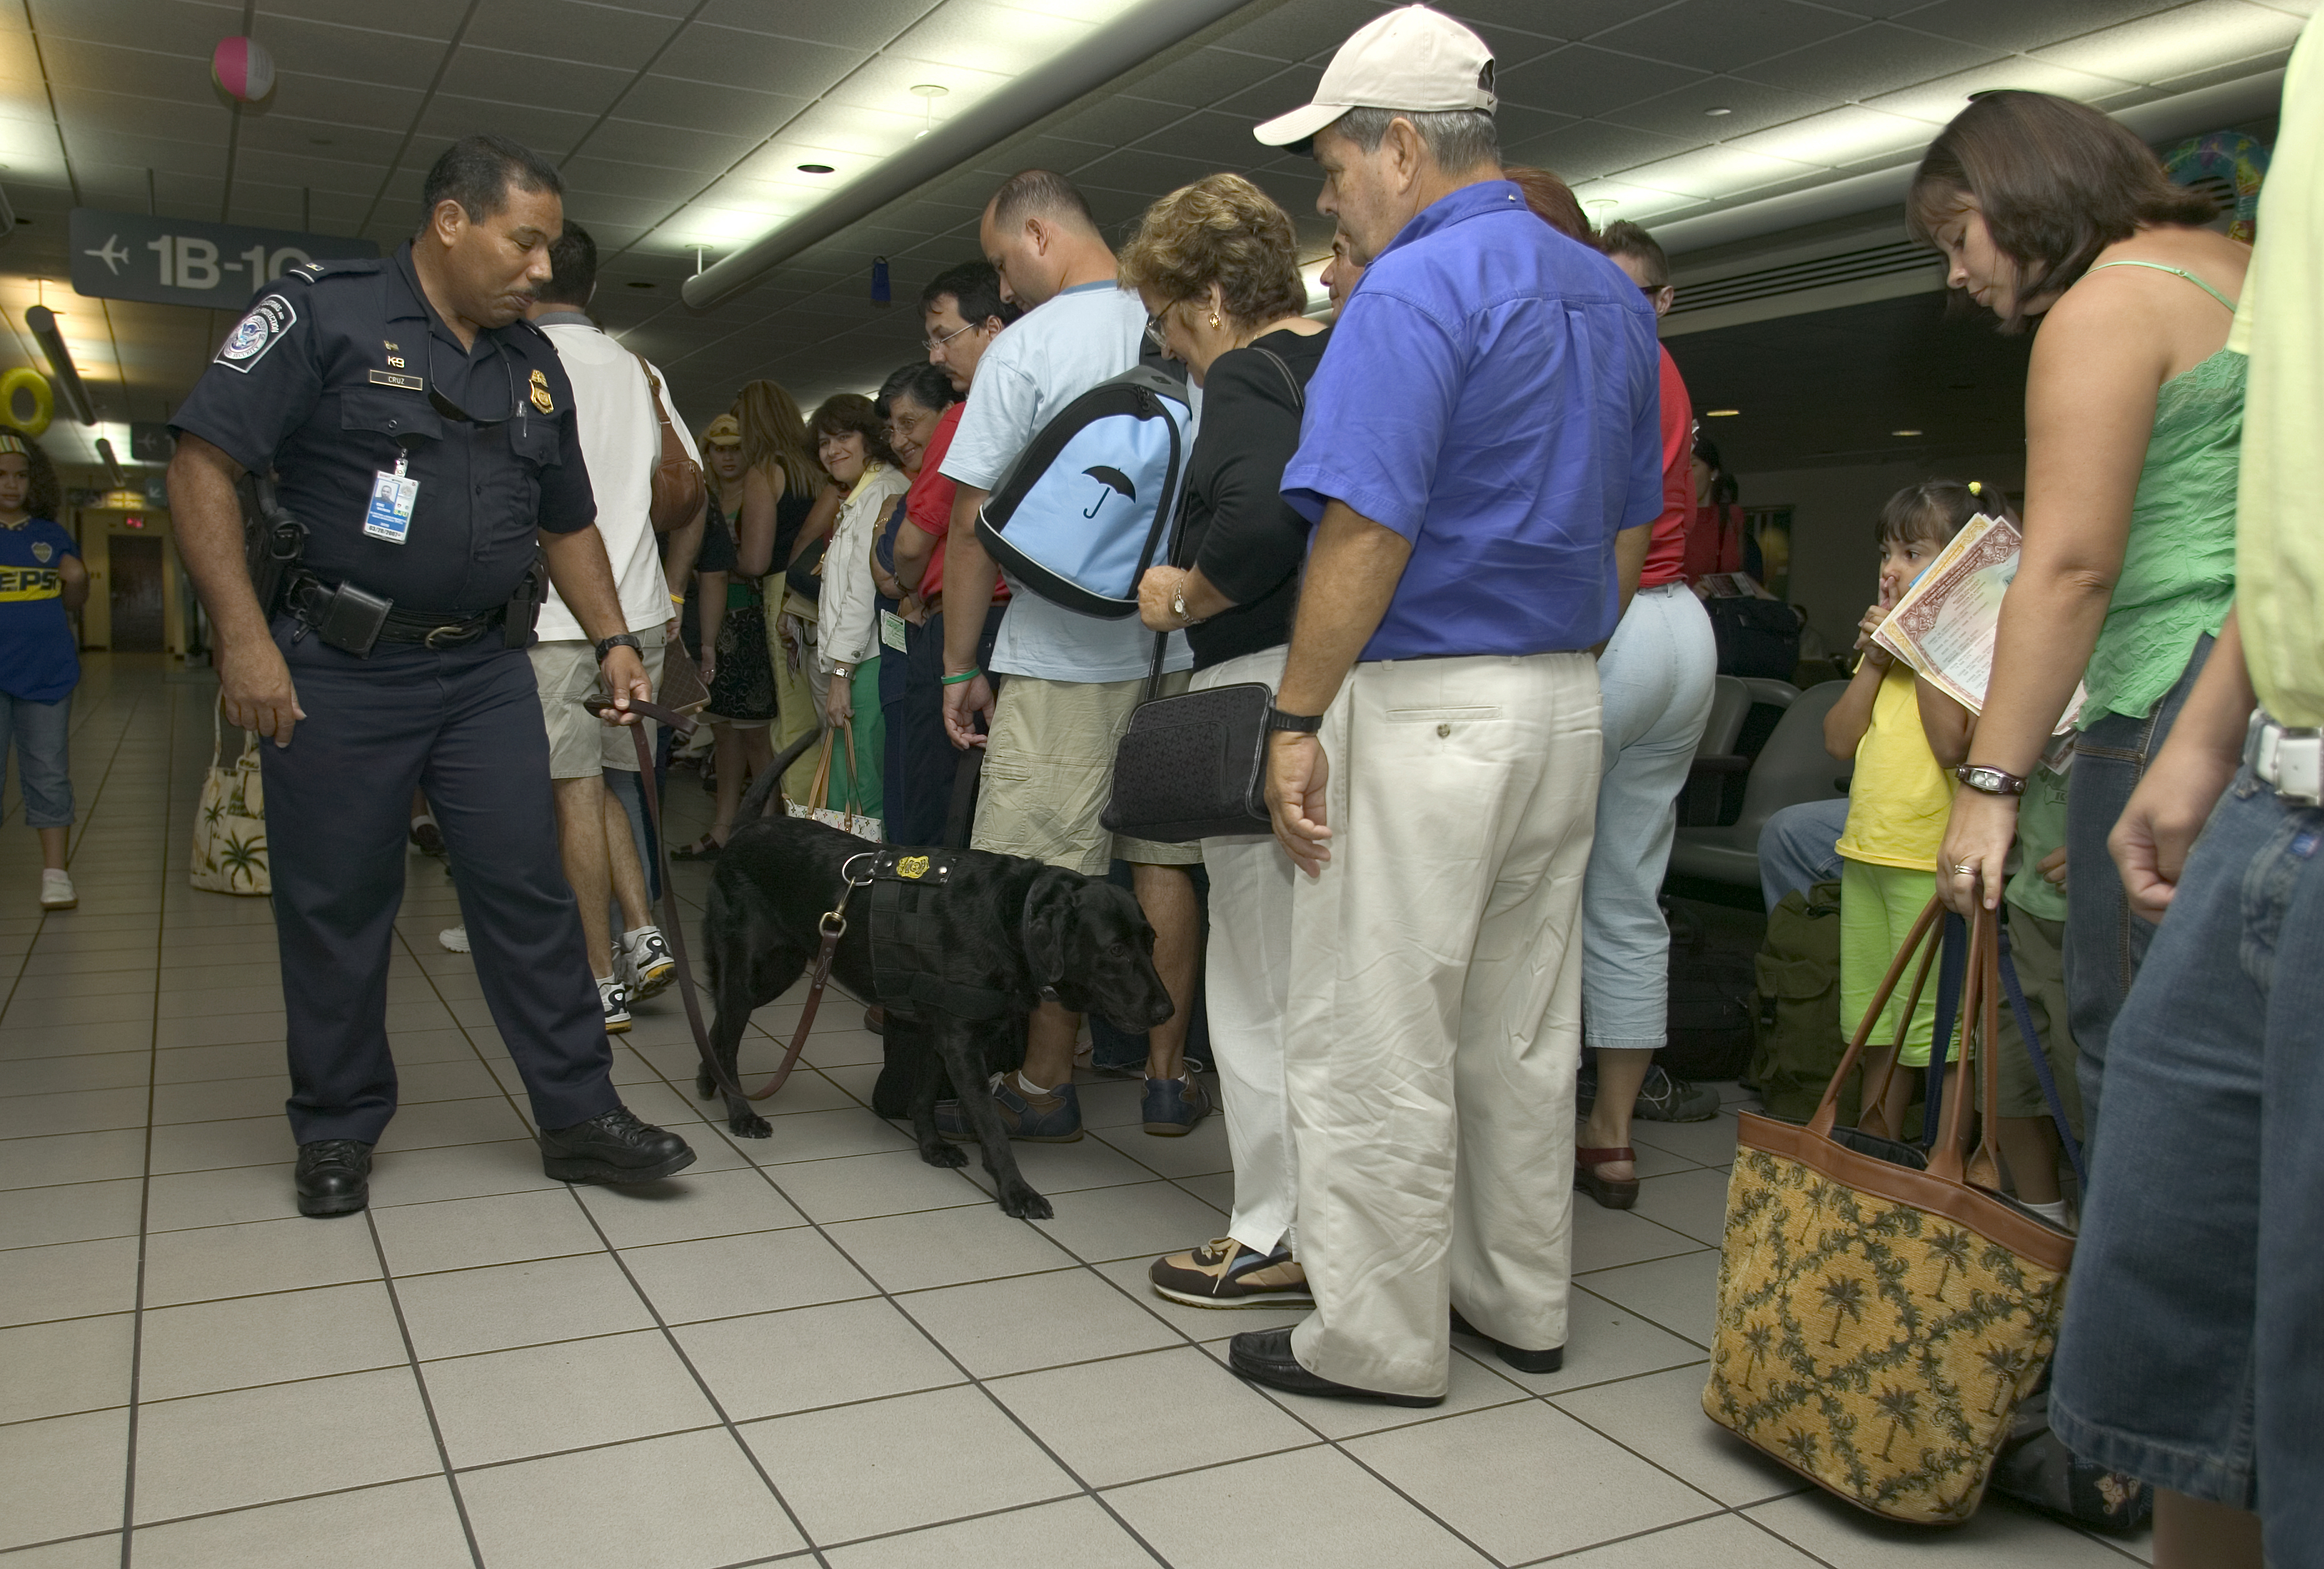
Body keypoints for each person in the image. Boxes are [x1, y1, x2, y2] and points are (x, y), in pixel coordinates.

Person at [1228, 3, 1663, 1406]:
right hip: (1562, 700)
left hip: (1426, 707)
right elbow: (1623, 525)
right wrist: (1557, 665)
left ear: (1401, 146)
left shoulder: (1411, 291)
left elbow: (1364, 529)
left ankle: (1373, 1342)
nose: (1326, 192)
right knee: (1520, 1028)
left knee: (1375, 1027)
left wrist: (1294, 717)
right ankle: (1516, 1300)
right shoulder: (1602, 292)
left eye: (1334, 163)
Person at [164, 133, 695, 1218]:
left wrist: (613, 638)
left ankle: (578, 1115)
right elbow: (202, 464)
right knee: (336, 905)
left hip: (485, 673)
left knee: (531, 893)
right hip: (338, 670)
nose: (543, 269)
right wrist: (241, 638)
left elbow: (569, 525)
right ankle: (337, 1124)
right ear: (452, 221)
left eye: (550, 247)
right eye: (526, 241)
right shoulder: (325, 314)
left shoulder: (531, 365)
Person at [2050, 26, 2320, 1562]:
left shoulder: (2113, 302)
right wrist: (2213, 726)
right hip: (2263, 763)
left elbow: (2079, 562)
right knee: (2177, 1314)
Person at [1918, 93, 2245, 1146]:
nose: (1954, 275)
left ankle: (2131, 1311)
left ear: (2021, 200)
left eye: (1956, 237)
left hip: (2162, 700)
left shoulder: (2106, 306)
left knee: (2138, 1062)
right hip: (2263, 692)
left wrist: (1988, 785)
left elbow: (2066, 570)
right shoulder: (2241, 273)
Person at [933, 169, 1209, 1140]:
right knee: (1162, 864)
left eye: (1006, 265)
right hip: (1177, 651)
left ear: (1041, 236)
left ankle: (1043, 1087)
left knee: (1047, 878)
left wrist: (959, 665)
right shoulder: (1187, 319)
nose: (1002, 291)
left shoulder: (1027, 349)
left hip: (1058, 660)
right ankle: (1166, 1078)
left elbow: (970, 528)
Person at [1116, 172, 1330, 1307]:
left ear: (1204, 295)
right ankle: (1338, 1220)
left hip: (1254, 689)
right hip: (1340, 684)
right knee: (1331, 977)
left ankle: (1268, 1226)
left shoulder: (1251, 370)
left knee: (1255, 983)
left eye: (1162, 312)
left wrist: (1181, 594)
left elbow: (1258, 519)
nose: (1168, 338)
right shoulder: (1338, 354)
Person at [1510, 188, 1727, 1210]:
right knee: (1628, 891)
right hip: (1686, 630)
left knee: (1536, 880)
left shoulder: (1586, 336)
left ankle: (1530, 1114)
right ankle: (1611, 1134)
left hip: (1613, 619)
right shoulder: (1661, 351)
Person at [523, 222, 686, 1032]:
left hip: (559, 615)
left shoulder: (517, 361)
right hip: (641, 612)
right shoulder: (639, 370)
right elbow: (680, 483)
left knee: (574, 795)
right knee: (617, 784)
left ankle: (595, 979)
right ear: (591, 287)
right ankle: (642, 932)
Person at [1821, 480, 1988, 1138]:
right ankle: (1875, 1158)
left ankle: (1947, 1169)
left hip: (1930, 862)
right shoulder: (1886, 655)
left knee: (1940, 1035)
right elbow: (1838, 741)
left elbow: (1954, 748)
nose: (1892, 569)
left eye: (1913, 552)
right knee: (1874, 1021)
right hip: (1867, 853)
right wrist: (1874, 661)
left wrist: (1919, 649)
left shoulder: (1971, 652)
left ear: (1963, 565)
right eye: (1887, 552)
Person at [905, 262, 1019, 843]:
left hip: (977, 625)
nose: (934, 356)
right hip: (1007, 624)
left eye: (944, 337)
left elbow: (931, 538)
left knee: (951, 799)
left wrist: (957, 662)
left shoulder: (969, 417)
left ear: (993, 328)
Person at [728, 379, 835, 812]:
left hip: (782, 592)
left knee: (792, 720)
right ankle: (829, 808)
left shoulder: (765, 471)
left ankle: (800, 822)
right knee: (820, 708)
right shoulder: (820, 468)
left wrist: (721, 557)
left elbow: (755, 560)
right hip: (824, 591)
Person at [680, 413, 780, 854]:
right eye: (718, 447)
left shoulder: (758, 489)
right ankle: (725, 827)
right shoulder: (704, 496)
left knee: (757, 734)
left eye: (735, 447)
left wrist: (714, 557)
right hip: (711, 625)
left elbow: (753, 561)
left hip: (749, 622)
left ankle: (769, 830)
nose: (726, 456)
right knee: (721, 730)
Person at [870, 361, 961, 846]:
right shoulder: (907, 493)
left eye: (910, 423)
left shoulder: (952, 472)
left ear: (948, 414)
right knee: (914, 781)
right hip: (914, 648)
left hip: (949, 639)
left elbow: (898, 562)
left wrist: (911, 587)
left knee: (937, 794)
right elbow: (886, 568)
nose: (899, 439)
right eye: (891, 429)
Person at [808, 393, 910, 819]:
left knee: (861, 788)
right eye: (824, 442)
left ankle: (863, 877)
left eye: (843, 437)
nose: (832, 451)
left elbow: (861, 595)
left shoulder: (879, 493)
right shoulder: (864, 494)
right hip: (863, 660)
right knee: (856, 780)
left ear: (870, 438)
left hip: (866, 662)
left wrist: (840, 674)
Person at [0, 434, 84, 912]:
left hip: (47, 676)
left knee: (48, 773)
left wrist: (78, 580)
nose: (11, 484)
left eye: (20, 475)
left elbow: (74, 602)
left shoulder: (51, 536)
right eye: (1, 475)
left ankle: (56, 874)